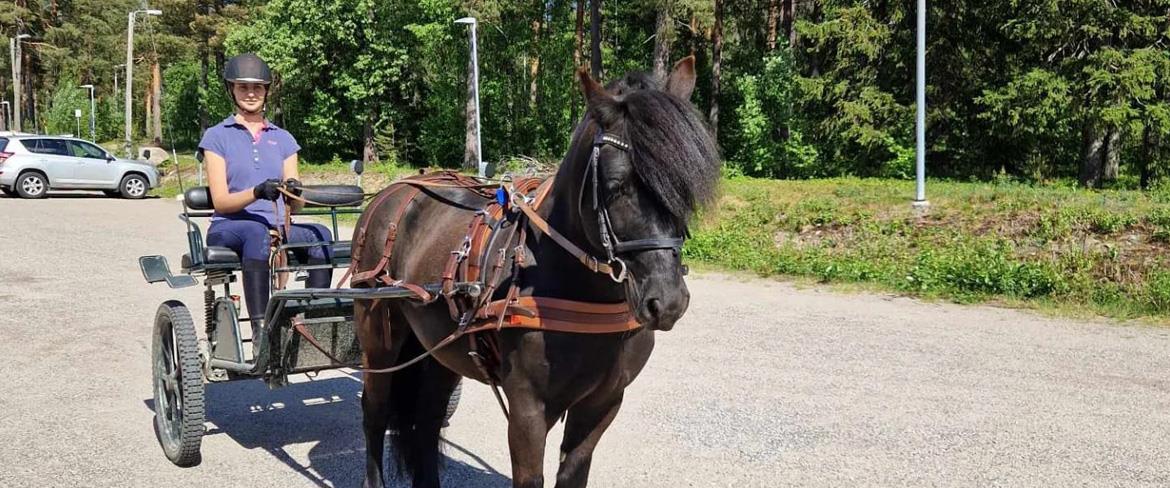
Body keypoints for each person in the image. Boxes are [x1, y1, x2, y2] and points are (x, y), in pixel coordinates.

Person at [198, 53, 333, 338]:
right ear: (231, 90)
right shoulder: (217, 136)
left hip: (276, 225)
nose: (250, 93)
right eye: (243, 87)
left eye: (257, 87)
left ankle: (315, 319)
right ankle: (263, 333)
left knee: (320, 233)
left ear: (266, 91)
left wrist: (294, 192)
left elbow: (294, 207)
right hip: (230, 226)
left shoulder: (283, 139)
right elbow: (221, 201)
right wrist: (257, 191)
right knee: (256, 231)